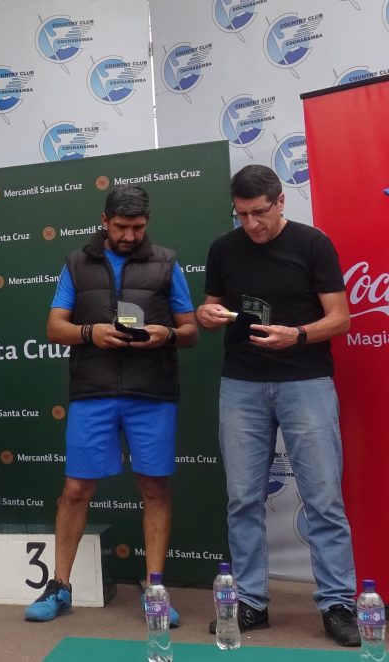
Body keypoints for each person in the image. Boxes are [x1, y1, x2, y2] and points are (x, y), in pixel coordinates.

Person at [196, 165, 360, 647]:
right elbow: (211, 310)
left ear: (281, 200)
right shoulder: (223, 249)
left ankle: (337, 603)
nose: (250, 224)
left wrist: (300, 334)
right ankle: (250, 602)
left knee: (323, 498)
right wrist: (208, 316)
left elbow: (342, 319)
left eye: (259, 213)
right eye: (241, 214)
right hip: (241, 384)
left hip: (305, 380)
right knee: (243, 498)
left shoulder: (313, 244)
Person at [27, 186, 197, 625]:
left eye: (138, 227)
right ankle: (60, 586)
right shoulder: (76, 263)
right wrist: (91, 334)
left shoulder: (166, 262)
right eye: (121, 227)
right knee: (76, 490)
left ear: (148, 221)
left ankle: (155, 589)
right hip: (93, 393)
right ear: (104, 221)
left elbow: (192, 329)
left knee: (155, 490)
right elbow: (53, 327)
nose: (129, 235)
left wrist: (168, 336)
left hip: (151, 394)